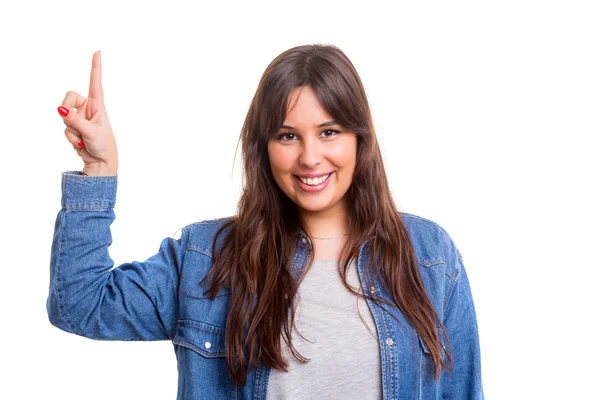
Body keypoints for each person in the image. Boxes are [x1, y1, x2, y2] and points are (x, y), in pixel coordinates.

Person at [48, 44, 484, 399]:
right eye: (288, 135)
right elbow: (80, 305)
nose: (310, 157)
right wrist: (99, 168)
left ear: (359, 139)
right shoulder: (207, 259)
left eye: (329, 132)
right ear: (264, 146)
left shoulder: (430, 256)